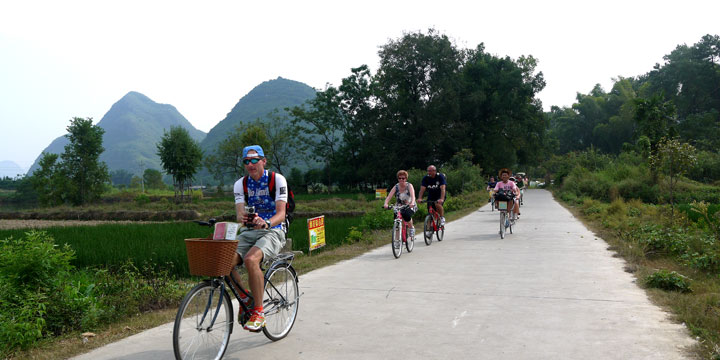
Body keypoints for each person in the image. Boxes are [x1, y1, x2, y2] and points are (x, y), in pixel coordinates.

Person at [231, 145, 288, 331]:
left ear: (264, 161)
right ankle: (246, 298)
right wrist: (246, 219)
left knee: (250, 259)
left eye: (255, 160)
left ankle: (258, 311)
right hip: (249, 231)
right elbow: (239, 215)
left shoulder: (276, 180)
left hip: (274, 229)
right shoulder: (241, 184)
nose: (250, 164)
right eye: (247, 161)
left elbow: (281, 214)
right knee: (223, 262)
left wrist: (266, 223)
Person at [383, 170, 417, 239]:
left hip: (409, 204)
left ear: (406, 179)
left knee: (407, 215)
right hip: (399, 205)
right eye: (399, 178)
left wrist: (412, 203)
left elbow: (413, 196)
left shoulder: (409, 186)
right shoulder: (396, 186)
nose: (401, 180)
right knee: (396, 221)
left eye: (403, 178)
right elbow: (389, 196)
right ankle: (397, 239)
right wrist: (386, 203)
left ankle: (411, 228)